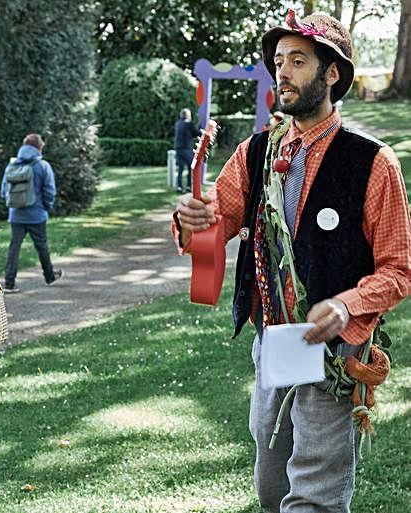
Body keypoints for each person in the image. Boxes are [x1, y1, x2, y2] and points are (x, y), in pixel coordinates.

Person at [173, 10, 410, 512]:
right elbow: (219, 223)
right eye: (278, 61)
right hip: (273, 345)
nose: (282, 71)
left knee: (315, 490)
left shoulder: (373, 161)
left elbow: (398, 269)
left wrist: (347, 306)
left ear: (331, 74)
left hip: (336, 352)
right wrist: (192, 220)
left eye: (298, 61)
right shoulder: (255, 152)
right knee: (271, 482)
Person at [0, 133, 62, 293]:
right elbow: (50, 191)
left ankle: (9, 283)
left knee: (14, 247)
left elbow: (3, 191)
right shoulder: (42, 166)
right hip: (37, 215)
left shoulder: (12, 165)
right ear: (39, 147)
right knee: (42, 246)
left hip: (16, 215)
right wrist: (46, 207)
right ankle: (49, 276)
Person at [174, 108, 201, 193]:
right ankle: (189, 186)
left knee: (180, 169)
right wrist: (201, 126)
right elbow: (197, 133)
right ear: (188, 115)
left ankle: (179, 187)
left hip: (178, 148)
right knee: (190, 168)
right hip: (187, 149)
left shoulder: (177, 124)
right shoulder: (189, 124)